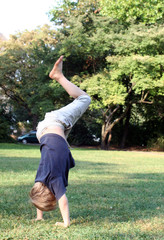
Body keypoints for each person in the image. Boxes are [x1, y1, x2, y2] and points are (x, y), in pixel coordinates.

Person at [29, 56, 91, 227]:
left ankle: (58, 76)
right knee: (65, 135)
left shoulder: (54, 180)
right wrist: (39, 216)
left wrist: (66, 223)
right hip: (44, 133)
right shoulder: (40, 180)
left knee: (85, 99)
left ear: (52, 194)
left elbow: (63, 200)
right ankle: (58, 76)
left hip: (54, 123)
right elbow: (37, 195)